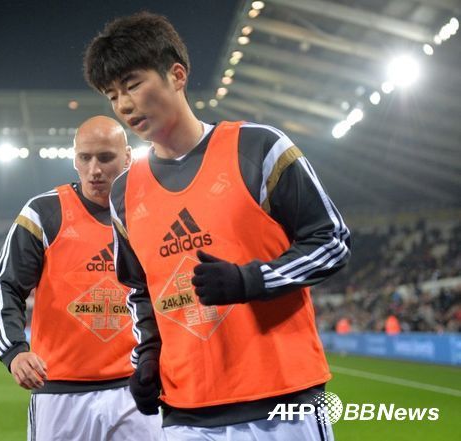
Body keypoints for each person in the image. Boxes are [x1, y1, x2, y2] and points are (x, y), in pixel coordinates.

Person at [84, 12, 351, 440]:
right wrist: (148, 357)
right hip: (186, 413)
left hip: (284, 402)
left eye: (132, 84)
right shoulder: (124, 194)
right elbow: (141, 291)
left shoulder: (258, 147)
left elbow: (331, 241)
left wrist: (251, 280)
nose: (124, 105)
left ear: (177, 75)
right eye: (112, 95)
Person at [0, 116, 161, 441]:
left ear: (127, 157)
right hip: (59, 393)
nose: (95, 169)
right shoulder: (43, 213)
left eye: (105, 158)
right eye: (85, 157)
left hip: (134, 389)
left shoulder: (151, 212)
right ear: (74, 159)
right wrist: (14, 351)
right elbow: (5, 286)